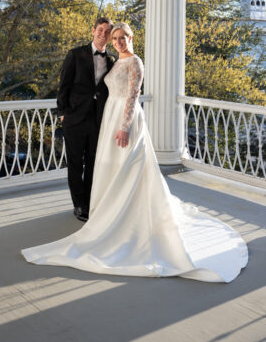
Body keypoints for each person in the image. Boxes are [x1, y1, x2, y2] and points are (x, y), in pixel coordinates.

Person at [22, 23, 248, 282]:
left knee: (126, 164)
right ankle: (91, 207)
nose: (116, 40)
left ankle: (127, 212)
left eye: (121, 37)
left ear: (131, 38)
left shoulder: (135, 62)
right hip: (103, 117)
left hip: (123, 120)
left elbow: (133, 95)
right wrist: (63, 112)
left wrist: (125, 127)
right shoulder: (112, 60)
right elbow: (67, 84)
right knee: (99, 164)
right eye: (113, 37)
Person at [56, 16, 115, 222]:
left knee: (93, 163)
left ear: (110, 36)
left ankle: (89, 202)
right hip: (74, 119)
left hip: (98, 121)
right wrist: (63, 114)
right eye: (100, 30)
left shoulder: (112, 60)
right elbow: (64, 85)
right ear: (93, 30)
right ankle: (78, 204)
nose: (103, 34)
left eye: (107, 32)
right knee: (75, 164)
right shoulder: (75, 54)